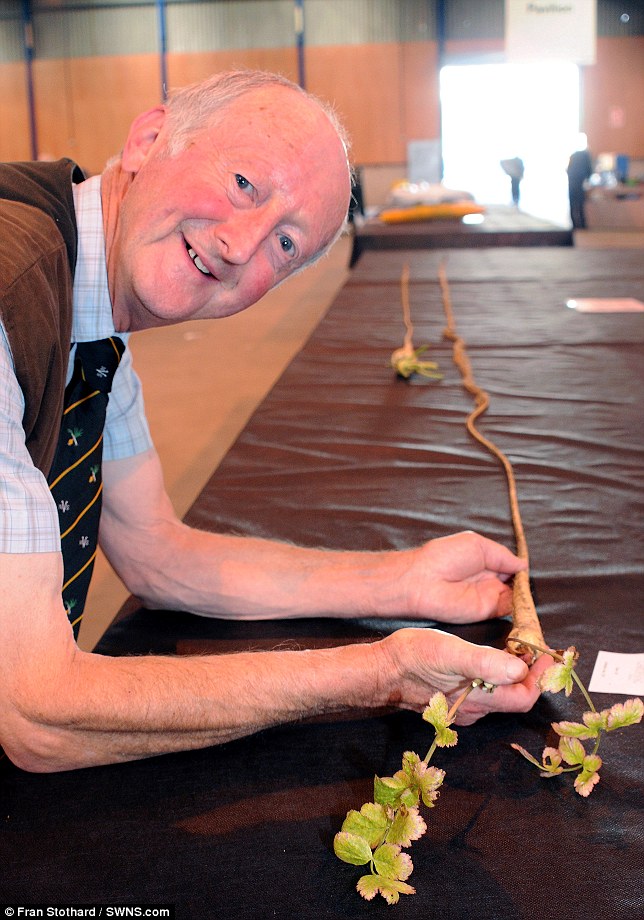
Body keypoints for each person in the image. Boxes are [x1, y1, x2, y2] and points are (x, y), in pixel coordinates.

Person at [0, 70, 550, 774]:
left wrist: (401, 582)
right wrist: (383, 673)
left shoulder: (92, 306)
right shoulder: (12, 287)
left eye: (285, 245)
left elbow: (155, 552)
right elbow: (34, 710)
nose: (240, 245)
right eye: (242, 184)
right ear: (148, 140)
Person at [567, 147, 593, 229]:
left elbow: (568, 170)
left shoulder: (574, 156)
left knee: (573, 205)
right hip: (579, 184)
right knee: (580, 205)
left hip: (572, 183)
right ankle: (582, 226)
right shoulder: (586, 156)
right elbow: (589, 171)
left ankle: (575, 225)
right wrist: (588, 179)